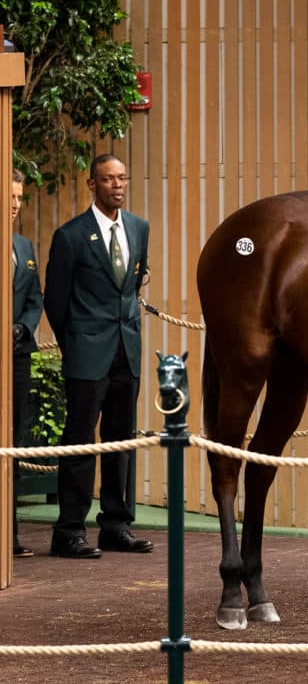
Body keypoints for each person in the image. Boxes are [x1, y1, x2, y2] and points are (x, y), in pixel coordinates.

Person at [43, 154, 153, 558]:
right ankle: (69, 529)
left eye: (122, 178)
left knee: (121, 441)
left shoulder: (139, 228)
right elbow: (55, 301)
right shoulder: (71, 235)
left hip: (127, 351)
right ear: (92, 184)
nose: (117, 186)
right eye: (108, 180)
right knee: (80, 440)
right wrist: (75, 344)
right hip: (87, 353)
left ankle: (115, 525)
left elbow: (133, 285)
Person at [11, 168, 43, 558]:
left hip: (17, 357)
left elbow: (35, 298)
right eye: (10, 197)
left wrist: (23, 327)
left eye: (20, 198)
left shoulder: (25, 245)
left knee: (14, 444)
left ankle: (9, 533)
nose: (15, 205)